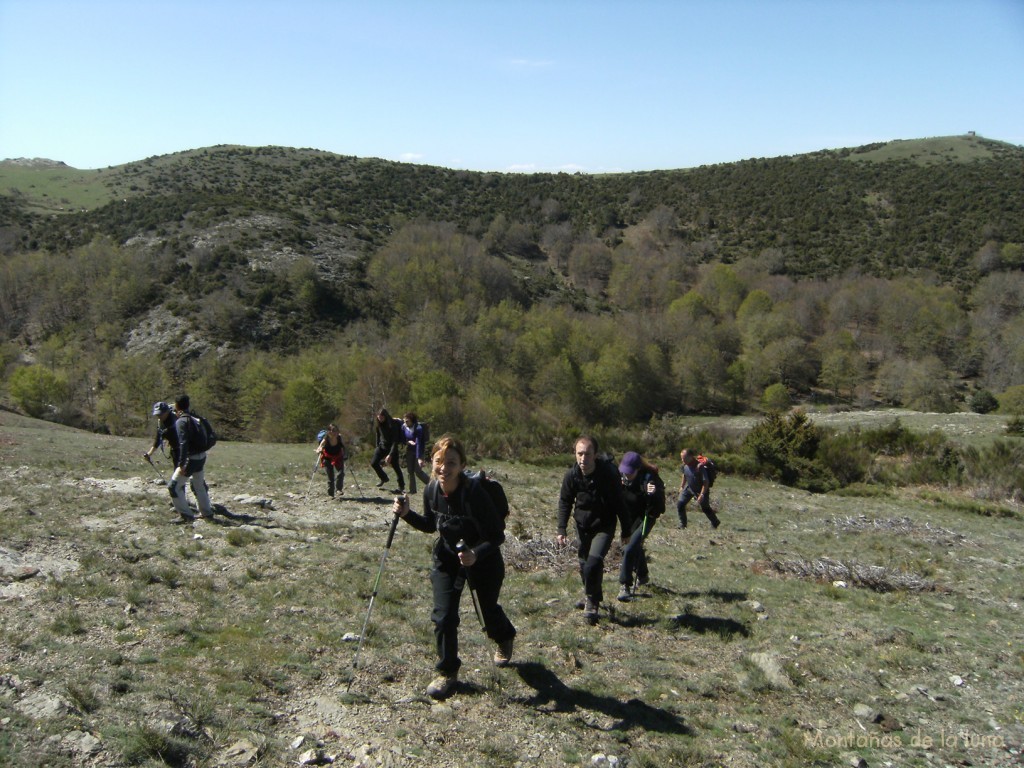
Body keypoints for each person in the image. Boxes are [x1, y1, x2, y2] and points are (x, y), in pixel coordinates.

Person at [393, 434, 516, 700]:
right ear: (431, 462)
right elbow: (430, 524)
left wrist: (476, 553)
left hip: (483, 560)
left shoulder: (475, 494)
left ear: (461, 465)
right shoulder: (431, 490)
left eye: (451, 462)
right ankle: (447, 673)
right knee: (444, 616)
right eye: (439, 461)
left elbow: (497, 536)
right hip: (448, 559)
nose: (443, 468)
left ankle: (504, 636)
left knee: (488, 612)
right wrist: (406, 515)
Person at [556, 436, 627, 624]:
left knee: (593, 562)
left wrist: (626, 531)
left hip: (604, 525)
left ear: (595, 455)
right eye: (579, 454)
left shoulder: (608, 475)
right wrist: (561, 529)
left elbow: (620, 503)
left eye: (587, 454)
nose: (583, 459)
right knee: (583, 563)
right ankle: (592, 595)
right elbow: (565, 501)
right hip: (582, 525)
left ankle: (591, 602)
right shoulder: (572, 475)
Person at [616, 451, 666, 601]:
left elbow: (659, 508)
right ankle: (643, 575)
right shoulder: (621, 478)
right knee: (634, 545)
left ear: (638, 469)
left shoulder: (650, 479)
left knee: (629, 547)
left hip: (646, 517)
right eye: (624, 471)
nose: (626, 475)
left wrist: (653, 495)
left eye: (630, 472)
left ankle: (625, 585)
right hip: (629, 518)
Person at [170, 394, 214, 521]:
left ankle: (186, 515)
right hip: (201, 457)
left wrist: (181, 464)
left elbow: (183, 444)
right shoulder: (196, 419)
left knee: (173, 486)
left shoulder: (181, 422)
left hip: (190, 459)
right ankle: (207, 513)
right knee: (199, 485)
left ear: (177, 406)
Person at [677, 448, 720, 529]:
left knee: (705, 508)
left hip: (700, 490)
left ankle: (715, 522)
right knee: (680, 504)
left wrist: (702, 494)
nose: (682, 460)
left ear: (691, 457)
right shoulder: (685, 465)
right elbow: (685, 475)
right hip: (689, 488)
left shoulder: (700, 467)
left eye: (684, 458)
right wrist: (682, 486)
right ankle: (683, 524)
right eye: (681, 458)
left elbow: (705, 482)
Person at [370, 408, 405, 492]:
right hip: (382, 447)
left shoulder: (392, 425)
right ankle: (384, 478)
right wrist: (377, 446)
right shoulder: (378, 424)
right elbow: (378, 435)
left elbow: (395, 441)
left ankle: (401, 486)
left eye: (382, 417)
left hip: (392, 448)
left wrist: (390, 454)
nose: (380, 418)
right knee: (374, 463)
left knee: (396, 467)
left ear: (385, 416)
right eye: (379, 417)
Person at [401, 412, 431, 494]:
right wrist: (408, 442)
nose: (405, 423)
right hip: (409, 450)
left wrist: (419, 458)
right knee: (410, 471)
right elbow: (402, 439)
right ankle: (412, 490)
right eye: (404, 421)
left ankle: (432, 485)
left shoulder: (418, 428)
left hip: (419, 450)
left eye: (407, 421)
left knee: (418, 471)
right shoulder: (404, 427)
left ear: (412, 421)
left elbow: (418, 443)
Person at [316, 424, 346, 498]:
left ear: (337, 431)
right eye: (331, 430)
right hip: (327, 458)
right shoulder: (326, 438)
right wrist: (319, 449)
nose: (333, 432)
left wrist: (345, 454)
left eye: (335, 430)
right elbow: (320, 446)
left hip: (338, 456)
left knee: (341, 473)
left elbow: (343, 446)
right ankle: (331, 494)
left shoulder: (339, 437)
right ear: (328, 431)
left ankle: (339, 489)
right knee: (330, 477)